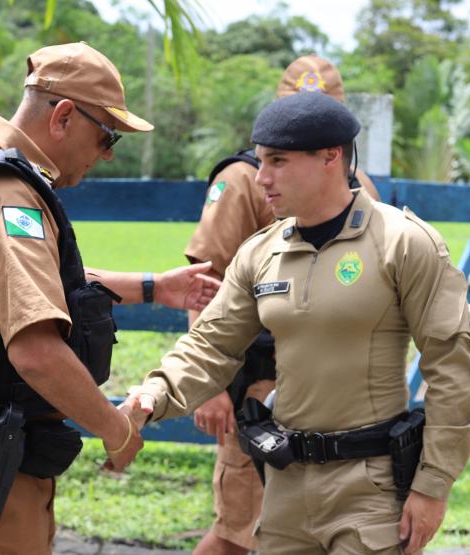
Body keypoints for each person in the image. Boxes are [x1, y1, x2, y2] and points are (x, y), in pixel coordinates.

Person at [124, 92, 470, 554]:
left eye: (277, 161)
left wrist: (432, 485)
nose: (261, 178)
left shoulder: (402, 242)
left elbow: (454, 368)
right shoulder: (260, 252)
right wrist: (152, 394)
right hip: (285, 486)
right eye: (260, 161)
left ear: (330, 157)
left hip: (371, 488)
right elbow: (212, 346)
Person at [0, 42, 220, 555]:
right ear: (64, 116)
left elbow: (23, 283)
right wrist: (116, 429)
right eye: (106, 134)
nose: (107, 151)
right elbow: (37, 352)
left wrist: (155, 287)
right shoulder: (6, 193)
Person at [186, 55, 381, 555]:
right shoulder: (242, 180)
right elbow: (204, 281)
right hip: (260, 387)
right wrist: (209, 387)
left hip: (338, 397)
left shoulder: (361, 188)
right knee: (240, 529)